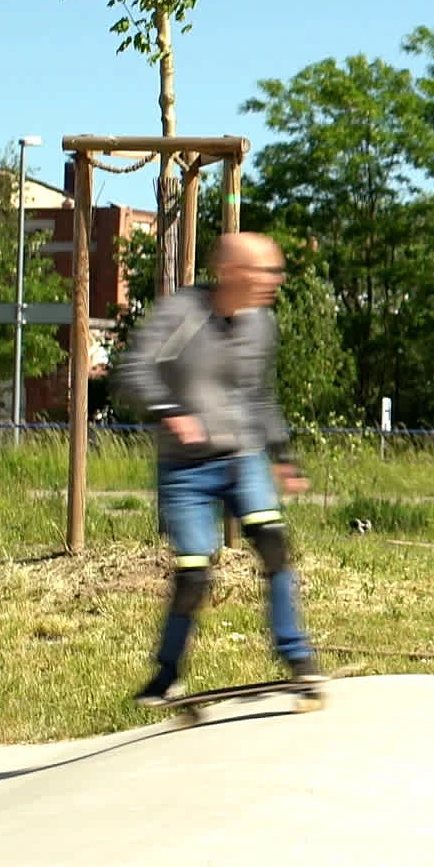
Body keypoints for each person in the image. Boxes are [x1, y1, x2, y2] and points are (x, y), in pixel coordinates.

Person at [113, 230, 321, 705]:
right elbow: (133, 372)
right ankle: (166, 673)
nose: (277, 279)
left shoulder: (261, 324)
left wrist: (284, 457)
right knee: (193, 571)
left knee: (273, 544)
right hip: (184, 470)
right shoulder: (181, 313)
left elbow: (260, 397)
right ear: (231, 272)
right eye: (266, 270)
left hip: (241, 455)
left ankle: (297, 656)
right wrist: (171, 410)